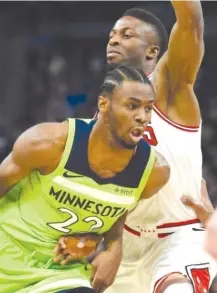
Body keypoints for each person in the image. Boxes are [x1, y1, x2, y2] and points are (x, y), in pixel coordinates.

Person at [0, 65, 170, 293]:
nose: (142, 117)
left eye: (148, 108)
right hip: (1, 255)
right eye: (132, 106)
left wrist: (113, 248)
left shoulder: (154, 173)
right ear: (104, 105)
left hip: (61, 272)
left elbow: (119, 209)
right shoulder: (48, 143)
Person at [56, 2, 217, 293]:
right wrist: (93, 235)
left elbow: (191, 23)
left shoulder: (169, 86)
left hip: (178, 236)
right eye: (111, 35)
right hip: (126, 246)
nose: (114, 39)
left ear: (152, 52)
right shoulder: (102, 117)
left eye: (126, 34)